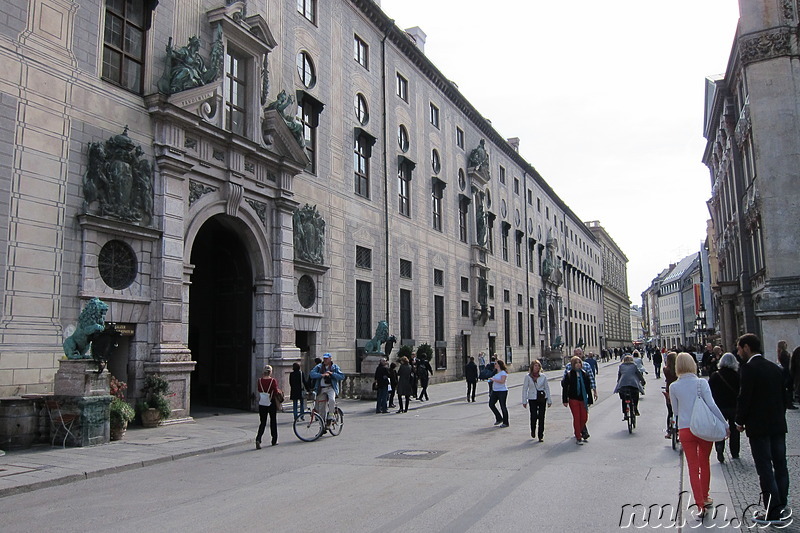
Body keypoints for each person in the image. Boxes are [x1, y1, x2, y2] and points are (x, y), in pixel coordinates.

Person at [735, 333, 790, 525]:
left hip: (759, 427)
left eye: (740, 348)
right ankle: (781, 504)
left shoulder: (749, 368)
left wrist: (739, 421)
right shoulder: (775, 368)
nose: (738, 352)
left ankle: (772, 512)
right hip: (777, 424)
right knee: (781, 466)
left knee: (765, 468)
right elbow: (784, 397)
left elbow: (745, 397)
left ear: (747, 347)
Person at [669, 352, 728, 517]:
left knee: (693, 468)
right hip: (703, 427)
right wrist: (724, 423)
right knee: (704, 462)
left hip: (686, 429)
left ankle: (699, 505)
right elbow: (712, 405)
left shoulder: (674, 386)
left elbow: (675, 411)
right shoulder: (702, 383)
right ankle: (705, 496)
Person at [708, 353, 741, 462]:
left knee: (720, 429)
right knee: (734, 430)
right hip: (733, 407)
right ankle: (735, 452)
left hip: (719, 407)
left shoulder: (715, 375)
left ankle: (719, 448)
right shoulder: (737, 376)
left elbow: (710, 392)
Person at [562, 348, 597, 440]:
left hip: (583, 398)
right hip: (573, 398)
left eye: (579, 362)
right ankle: (579, 435)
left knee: (584, 417)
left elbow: (589, 382)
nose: (578, 364)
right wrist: (565, 399)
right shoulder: (569, 371)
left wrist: (592, 394)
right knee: (577, 417)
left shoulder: (585, 371)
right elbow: (565, 386)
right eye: (576, 363)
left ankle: (580, 430)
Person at [309, 353, 345, 425]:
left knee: (332, 400)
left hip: (330, 388)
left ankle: (330, 416)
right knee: (321, 408)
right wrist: (322, 375)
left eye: (326, 358)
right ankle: (322, 427)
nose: (325, 360)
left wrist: (332, 374)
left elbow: (342, 376)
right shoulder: (319, 367)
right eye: (324, 358)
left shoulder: (334, 367)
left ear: (330, 359)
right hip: (321, 388)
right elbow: (311, 374)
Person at [522, 359, 551, 441]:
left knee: (542, 416)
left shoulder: (543, 376)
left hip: (542, 397)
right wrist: (524, 401)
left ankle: (541, 435)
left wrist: (549, 400)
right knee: (534, 415)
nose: (537, 367)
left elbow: (547, 388)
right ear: (532, 367)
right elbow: (525, 389)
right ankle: (533, 430)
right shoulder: (528, 377)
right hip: (532, 398)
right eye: (535, 366)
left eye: (538, 366)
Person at [614, 355, 645, 419]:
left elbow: (619, 376)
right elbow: (639, 374)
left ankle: (625, 414)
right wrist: (643, 381)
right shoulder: (634, 366)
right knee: (635, 396)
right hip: (633, 384)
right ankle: (635, 408)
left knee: (623, 399)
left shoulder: (621, 366)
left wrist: (618, 383)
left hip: (623, 385)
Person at [255, 365, 279, 449]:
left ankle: (258, 439)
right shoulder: (273, 381)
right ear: (270, 372)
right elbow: (275, 391)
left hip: (262, 402)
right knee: (273, 421)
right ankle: (274, 440)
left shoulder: (259, 381)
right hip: (271, 401)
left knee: (263, 422)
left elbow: (259, 389)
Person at [487, 359, 509, 427]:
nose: (494, 365)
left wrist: (493, 379)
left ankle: (506, 422)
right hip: (495, 390)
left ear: (499, 365)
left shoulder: (503, 373)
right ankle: (499, 418)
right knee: (491, 404)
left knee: (503, 406)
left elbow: (502, 381)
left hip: (502, 391)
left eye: (496, 364)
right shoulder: (495, 372)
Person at [777, 341, 798, 409]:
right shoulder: (783, 353)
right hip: (787, 373)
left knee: (789, 389)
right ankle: (789, 403)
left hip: (786, 372)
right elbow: (787, 363)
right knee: (789, 389)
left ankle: (790, 402)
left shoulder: (781, 353)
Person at [663, 351, 678, 438]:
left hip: (669, 391)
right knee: (679, 411)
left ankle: (669, 431)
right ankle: (679, 430)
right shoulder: (679, 370)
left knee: (670, 412)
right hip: (679, 391)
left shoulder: (665, 369)